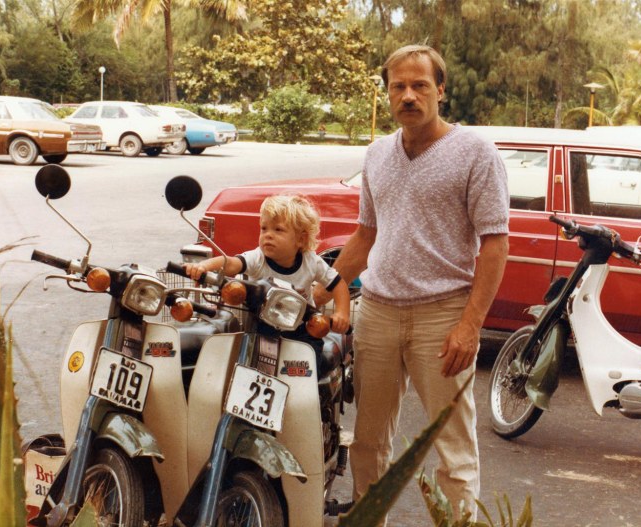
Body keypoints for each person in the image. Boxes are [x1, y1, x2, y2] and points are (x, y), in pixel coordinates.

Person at [315, 45, 509, 520]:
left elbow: (496, 244)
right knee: (367, 442)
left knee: (453, 448)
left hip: (443, 313)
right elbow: (366, 235)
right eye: (397, 86)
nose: (408, 95)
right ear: (387, 93)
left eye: (419, 85)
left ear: (440, 90)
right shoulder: (378, 153)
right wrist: (316, 291)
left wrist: (470, 325)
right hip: (378, 311)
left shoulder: (475, 153)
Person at [183, 194, 351, 358]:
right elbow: (233, 263)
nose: (268, 235)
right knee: (251, 364)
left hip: (304, 328)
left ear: (300, 239)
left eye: (278, 230)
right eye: (264, 228)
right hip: (265, 326)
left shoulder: (311, 261)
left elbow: (338, 284)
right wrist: (204, 266)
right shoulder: (258, 258)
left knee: (307, 368)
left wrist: (342, 313)